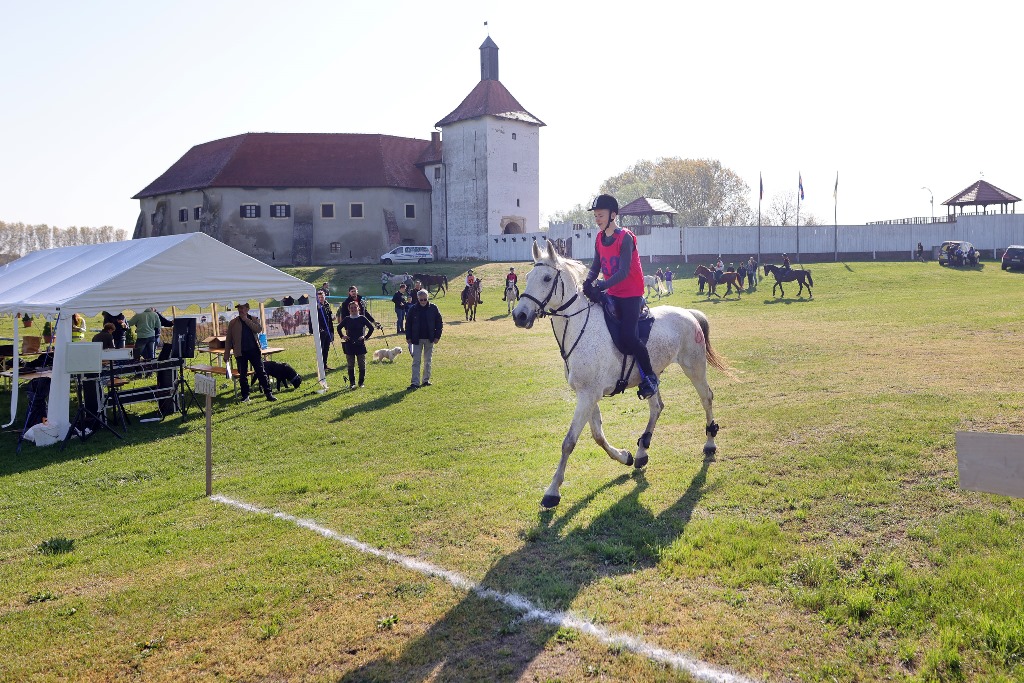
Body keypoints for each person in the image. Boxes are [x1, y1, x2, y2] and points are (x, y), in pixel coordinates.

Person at [581, 194, 659, 400]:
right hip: (613, 292)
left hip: (632, 294)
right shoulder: (599, 238)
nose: (597, 219)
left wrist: (602, 284)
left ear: (613, 215)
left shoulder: (626, 237)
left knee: (629, 337)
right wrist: (588, 282)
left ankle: (650, 377)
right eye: (595, 216)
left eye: (600, 215)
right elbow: (596, 265)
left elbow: (624, 272)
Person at [225, 302, 276, 403]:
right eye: (239, 308)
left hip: (254, 351)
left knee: (261, 372)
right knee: (242, 375)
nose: (240, 310)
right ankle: (245, 396)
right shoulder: (233, 323)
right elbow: (228, 339)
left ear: (247, 309)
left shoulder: (253, 319)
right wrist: (226, 354)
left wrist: (246, 320)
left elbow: (258, 329)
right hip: (240, 352)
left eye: (243, 308)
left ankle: (268, 393)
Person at [405, 287, 443, 390]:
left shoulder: (434, 308)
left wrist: (437, 336)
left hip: (430, 339)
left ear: (428, 298)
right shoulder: (413, 309)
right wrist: (408, 337)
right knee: (416, 361)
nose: (423, 301)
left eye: (425, 299)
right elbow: (408, 323)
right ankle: (415, 383)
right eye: (421, 299)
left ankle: (426, 380)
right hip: (416, 339)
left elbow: (439, 322)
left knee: (428, 361)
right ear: (417, 299)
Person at [339, 300, 375, 389]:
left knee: (361, 364)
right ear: (349, 309)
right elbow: (339, 328)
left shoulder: (362, 318)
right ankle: (352, 383)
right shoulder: (347, 319)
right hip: (349, 344)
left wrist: (365, 337)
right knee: (350, 364)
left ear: (358, 308)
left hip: (360, 344)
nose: (353, 309)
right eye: (351, 308)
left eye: (355, 307)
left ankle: (361, 382)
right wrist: (343, 336)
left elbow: (371, 328)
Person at [310, 290, 335, 370]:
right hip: (321, 331)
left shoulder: (327, 305)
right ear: (317, 298)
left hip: (328, 329)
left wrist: (332, 317)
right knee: (321, 349)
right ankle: (320, 367)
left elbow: (329, 314)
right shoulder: (315, 306)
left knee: (326, 349)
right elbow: (313, 319)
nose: (321, 298)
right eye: (319, 297)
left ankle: (324, 365)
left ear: (325, 297)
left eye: (322, 297)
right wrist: (318, 329)